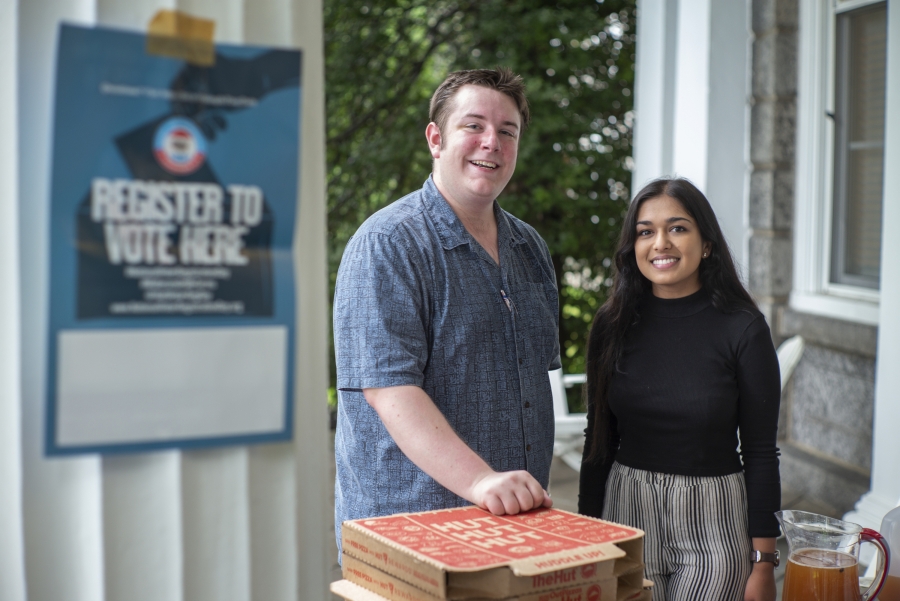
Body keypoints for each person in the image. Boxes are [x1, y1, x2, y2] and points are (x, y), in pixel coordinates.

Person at [333, 68, 561, 552]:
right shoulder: (387, 243)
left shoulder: (529, 247)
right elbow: (390, 391)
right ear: (436, 138)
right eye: (473, 126)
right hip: (411, 533)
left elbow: (533, 381)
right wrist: (481, 482)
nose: (491, 142)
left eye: (507, 131)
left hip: (513, 529)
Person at [578, 178, 781, 601]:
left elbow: (761, 451)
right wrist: (585, 536)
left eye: (678, 228)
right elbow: (598, 441)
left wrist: (764, 562)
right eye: (645, 231)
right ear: (633, 247)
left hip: (714, 519)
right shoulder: (611, 325)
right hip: (626, 511)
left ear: (706, 244)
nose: (660, 244)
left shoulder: (743, 328)